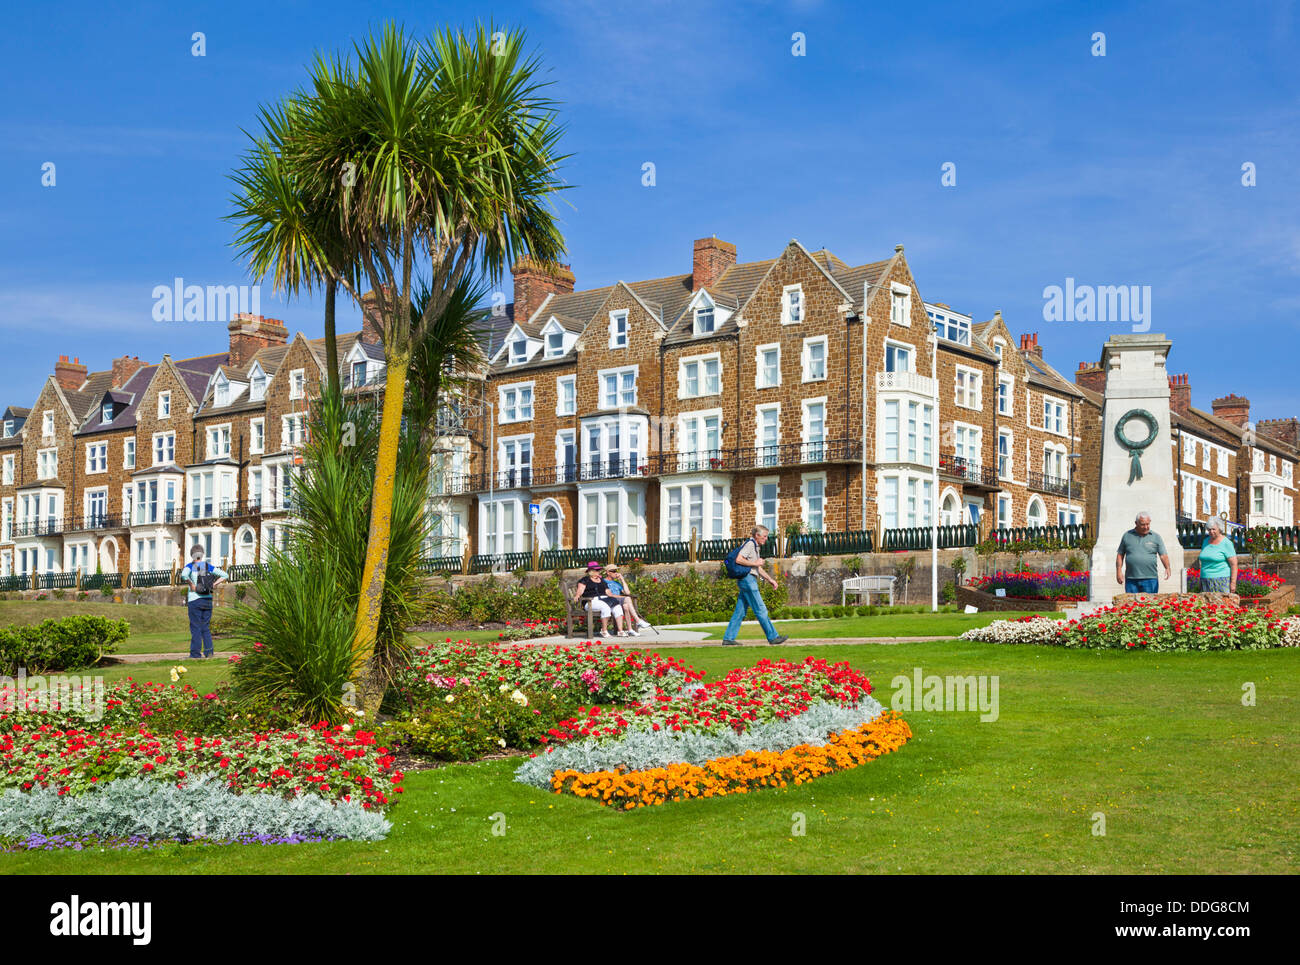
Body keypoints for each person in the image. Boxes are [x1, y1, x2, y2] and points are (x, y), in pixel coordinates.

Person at [721, 525, 789, 646]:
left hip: (747, 580)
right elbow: (739, 559)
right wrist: (755, 562)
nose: (766, 539)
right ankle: (773, 637)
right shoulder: (750, 544)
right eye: (764, 536)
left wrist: (770, 580)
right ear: (757, 535)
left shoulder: (755, 546)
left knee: (740, 611)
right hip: (748, 580)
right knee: (761, 609)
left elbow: (756, 568)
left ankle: (728, 638)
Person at [180, 544, 228, 659]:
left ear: (192, 555)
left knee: (196, 627)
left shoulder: (190, 566)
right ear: (202, 555)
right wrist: (214, 584)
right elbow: (224, 575)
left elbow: (183, 575)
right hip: (207, 600)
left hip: (195, 600)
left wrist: (191, 584)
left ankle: (195, 654)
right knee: (205, 627)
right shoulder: (207, 566)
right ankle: (209, 652)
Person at [1115, 511, 1171, 595]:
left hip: (1150, 579)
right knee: (1131, 605)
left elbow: (1163, 555)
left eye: (1148, 524)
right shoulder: (1127, 536)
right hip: (1131, 579)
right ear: (1136, 523)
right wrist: (1118, 571)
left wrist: (1167, 567)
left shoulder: (1156, 537)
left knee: (1149, 605)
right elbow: (1120, 555)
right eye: (1143, 524)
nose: (1146, 527)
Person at [572, 561, 625, 638]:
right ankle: (604, 630)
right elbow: (580, 590)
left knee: (617, 606)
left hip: (605, 599)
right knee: (605, 607)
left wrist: (620, 597)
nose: (598, 572)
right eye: (597, 570)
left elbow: (608, 593)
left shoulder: (602, 580)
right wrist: (577, 595)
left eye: (599, 570)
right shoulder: (585, 580)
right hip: (591, 602)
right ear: (591, 571)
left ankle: (620, 631)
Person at [602, 564, 651, 636]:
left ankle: (630, 630)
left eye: (617, 571)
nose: (616, 573)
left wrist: (622, 579)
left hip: (619, 601)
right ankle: (638, 621)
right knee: (627, 598)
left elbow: (627, 592)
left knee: (626, 606)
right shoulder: (603, 582)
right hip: (610, 601)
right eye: (613, 571)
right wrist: (621, 597)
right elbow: (608, 594)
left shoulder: (617, 583)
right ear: (608, 572)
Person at [1197, 517, 1238, 596]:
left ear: (1219, 529)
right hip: (1205, 580)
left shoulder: (1226, 543)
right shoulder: (1205, 541)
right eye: (1209, 529)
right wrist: (1200, 579)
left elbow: (1234, 564)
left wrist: (1233, 583)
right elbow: (1203, 562)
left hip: (1221, 581)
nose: (1211, 531)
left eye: (1213, 529)